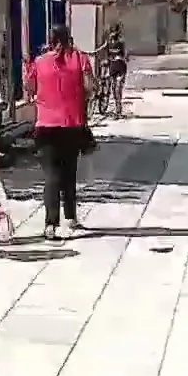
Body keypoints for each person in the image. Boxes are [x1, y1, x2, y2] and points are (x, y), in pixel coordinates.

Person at [23, 24, 94, 241]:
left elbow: (30, 88)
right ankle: (70, 217)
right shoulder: (80, 58)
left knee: (51, 175)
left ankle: (50, 225)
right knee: (69, 171)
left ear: (50, 40)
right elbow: (90, 87)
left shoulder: (40, 61)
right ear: (68, 38)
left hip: (45, 125)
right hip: (72, 124)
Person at [104, 25, 128, 117]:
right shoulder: (108, 43)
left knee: (118, 88)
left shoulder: (121, 43)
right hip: (112, 67)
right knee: (114, 89)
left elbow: (125, 55)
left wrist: (121, 58)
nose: (112, 35)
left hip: (120, 67)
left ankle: (118, 110)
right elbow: (106, 55)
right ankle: (117, 108)